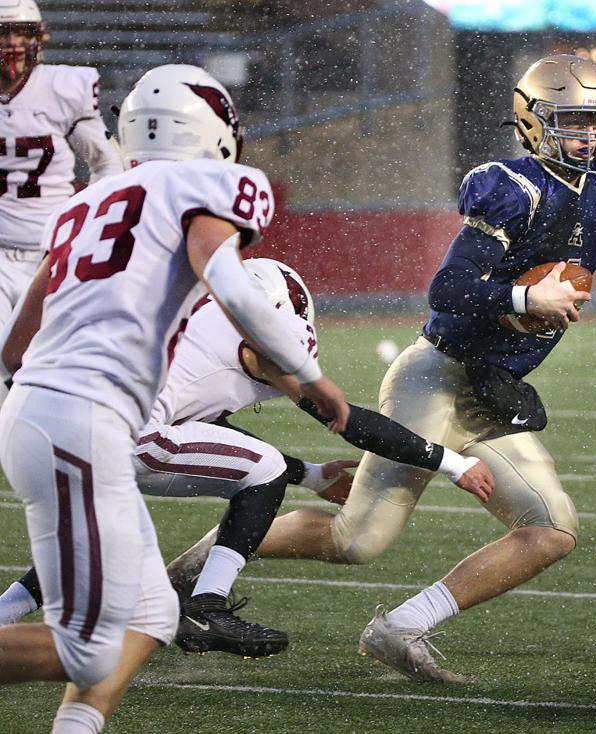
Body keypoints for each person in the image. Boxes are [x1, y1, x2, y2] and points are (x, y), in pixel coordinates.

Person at [212, 53, 596, 684]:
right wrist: (526, 297)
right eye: (572, 121)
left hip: (493, 394)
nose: (589, 135)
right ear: (532, 122)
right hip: (436, 376)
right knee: (356, 540)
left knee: (551, 529)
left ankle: (400, 627)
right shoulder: (512, 186)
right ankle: (196, 573)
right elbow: (449, 289)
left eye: (595, 121)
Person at [0, 64, 349, 734]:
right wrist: (310, 376)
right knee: (85, 647)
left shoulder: (85, 203)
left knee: (153, 616)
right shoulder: (215, 186)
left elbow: (16, 345)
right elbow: (233, 283)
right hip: (86, 420)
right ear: (217, 133)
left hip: (42, 413)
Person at [0, 257, 494, 659]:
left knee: (93, 538)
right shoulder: (262, 329)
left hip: (47, 423)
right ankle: (206, 605)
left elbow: (203, 427)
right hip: (119, 432)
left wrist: (313, 476)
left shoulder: (194, 310)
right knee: (264, 471)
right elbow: (346, 418)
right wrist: (453, 463)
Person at [0, 0, 122, 327]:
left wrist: (84, 222)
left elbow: (107, 165)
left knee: (40, 359)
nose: (12, 42)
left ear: (38, 37)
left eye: (21, 32)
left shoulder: (60, 90)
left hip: (49, 255)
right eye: (3, 32)